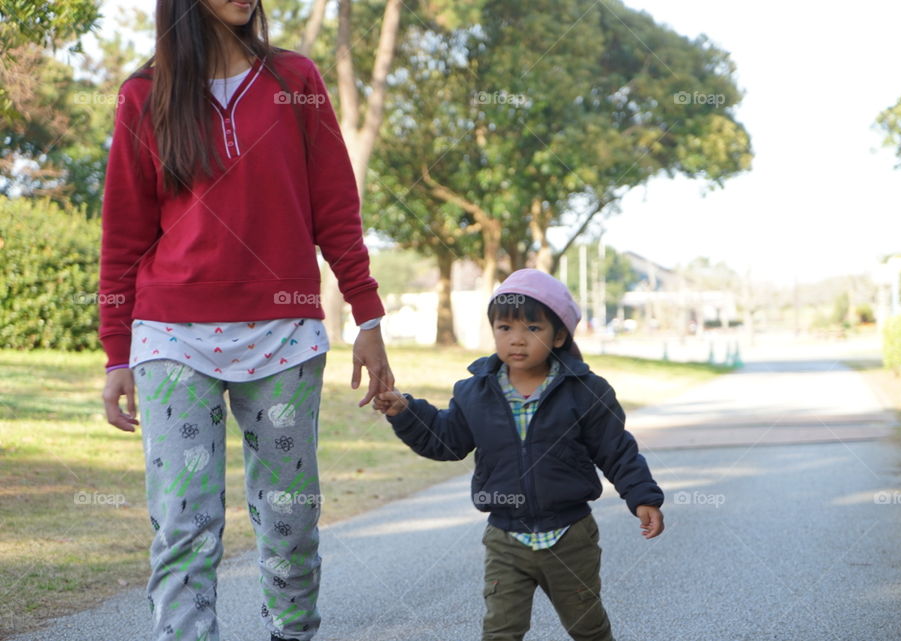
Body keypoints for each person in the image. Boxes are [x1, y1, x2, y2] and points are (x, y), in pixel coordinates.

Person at [97, 2, 393, 640]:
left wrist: (366, 315)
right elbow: (122, 233)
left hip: (283, 337)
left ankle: (292, 631)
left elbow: (335, 204)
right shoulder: (143, 95)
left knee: (289, 521)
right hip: (170, 335)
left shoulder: (296, 82)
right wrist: (116, 353)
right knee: (184, 525)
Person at [375, 268, 664, 641]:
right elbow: (446, 441)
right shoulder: (474, 392)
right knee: (500, 631)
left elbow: (616, 450)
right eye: (505, 328)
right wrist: (407, 412)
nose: (517, 340)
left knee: (587, 627)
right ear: (493, 330)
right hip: (505, 538)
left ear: (559, 335)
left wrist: (643, 497)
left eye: (533, 329)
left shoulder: (586, 392)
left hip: (570, 535)